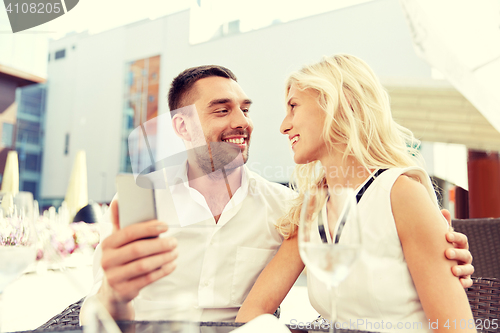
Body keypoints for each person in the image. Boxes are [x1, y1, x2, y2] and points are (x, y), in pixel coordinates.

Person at [80, 65, 474, 323]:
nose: (243, 122)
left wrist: (445, 257)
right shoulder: (137, 201)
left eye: (246, 110)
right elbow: (101, 313)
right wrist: (115, 291)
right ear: (182, 128)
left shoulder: (288, 208)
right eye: (222, 111)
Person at [236, 55, 475, 332]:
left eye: (293, 107)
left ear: (338, 105)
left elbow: (456, 327)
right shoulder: (312, 208)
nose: (283, 126)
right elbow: (252, 313)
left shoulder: (401, 194)